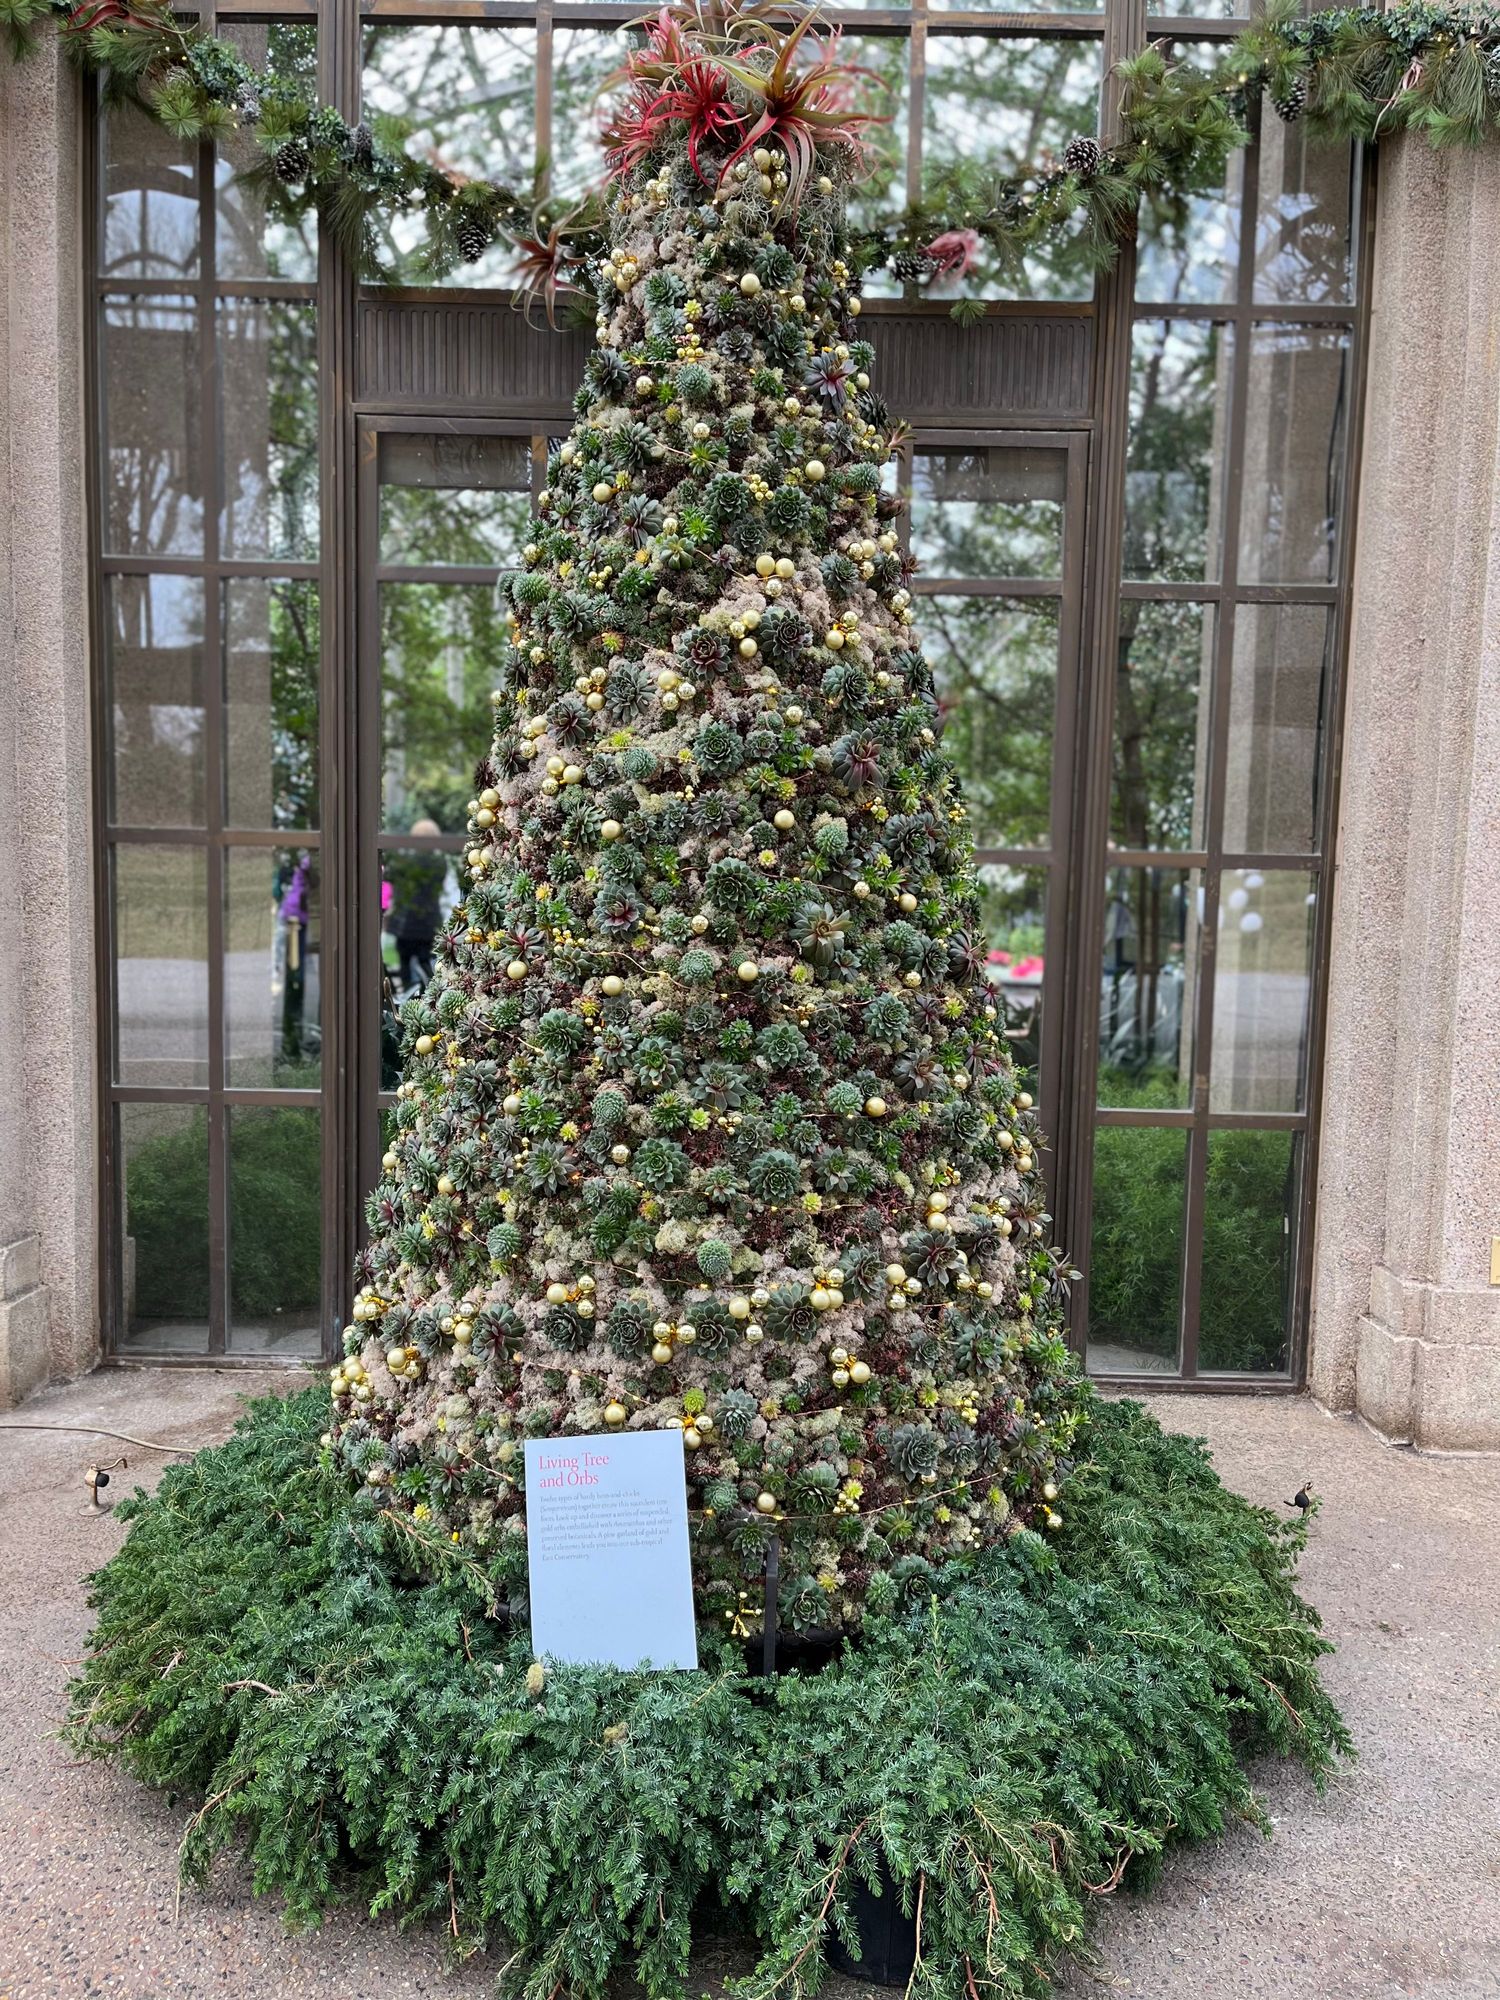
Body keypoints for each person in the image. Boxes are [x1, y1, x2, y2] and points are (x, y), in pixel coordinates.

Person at [383, 819, 447, 997]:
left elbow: (389, 874)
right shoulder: (439, 862)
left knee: (404, 964)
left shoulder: (406, 862)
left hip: (406, 923)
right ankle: (430, 997)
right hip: (429, 922)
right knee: (426, 962)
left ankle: (407, 999)